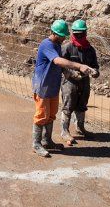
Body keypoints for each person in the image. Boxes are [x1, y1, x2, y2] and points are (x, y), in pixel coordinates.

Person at [32, 19, 97, 157]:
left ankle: (47, 141)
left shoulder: (56, 45)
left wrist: (69, 72)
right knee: (41, 115)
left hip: (53, 86)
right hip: (43, 86)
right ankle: (36, 144)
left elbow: (59, 66)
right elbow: (57, 61)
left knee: (50, 115)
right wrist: (79, 66)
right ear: (54, 33)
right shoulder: (47, 44)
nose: (64, 38)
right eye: (62, 36)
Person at [60, 19, 100, 143]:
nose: (79, 36)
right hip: (69, 82)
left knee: (82, 105)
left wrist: (96, 72)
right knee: (68, 106)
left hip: (84, 82)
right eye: (76, 34)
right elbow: (61, 64)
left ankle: (80, 127)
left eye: (81, 34)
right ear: (72, 34)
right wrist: (71, 73)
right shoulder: (67, 47)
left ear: (85, 33)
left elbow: (95, 65)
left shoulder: (90, 49)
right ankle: (64, 131)